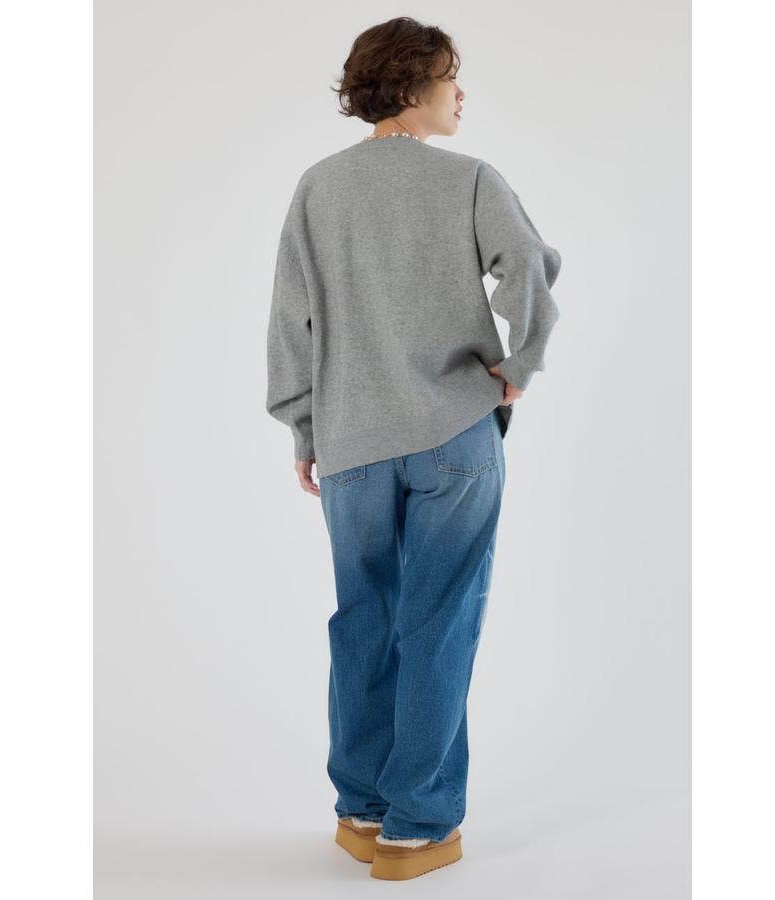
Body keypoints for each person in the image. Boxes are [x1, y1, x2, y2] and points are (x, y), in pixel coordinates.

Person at [265, 16, 562, 881]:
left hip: (352, 444)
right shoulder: (469, 180)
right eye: (448, 77)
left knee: (363, 620)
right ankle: (417, 825)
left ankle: (361, 810)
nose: (460, 93)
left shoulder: (318, 189)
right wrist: (518, 367)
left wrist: (305, 427)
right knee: (439, 623)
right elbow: (528, 264)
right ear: (408, 87)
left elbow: (289, 319)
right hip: (453, 438)